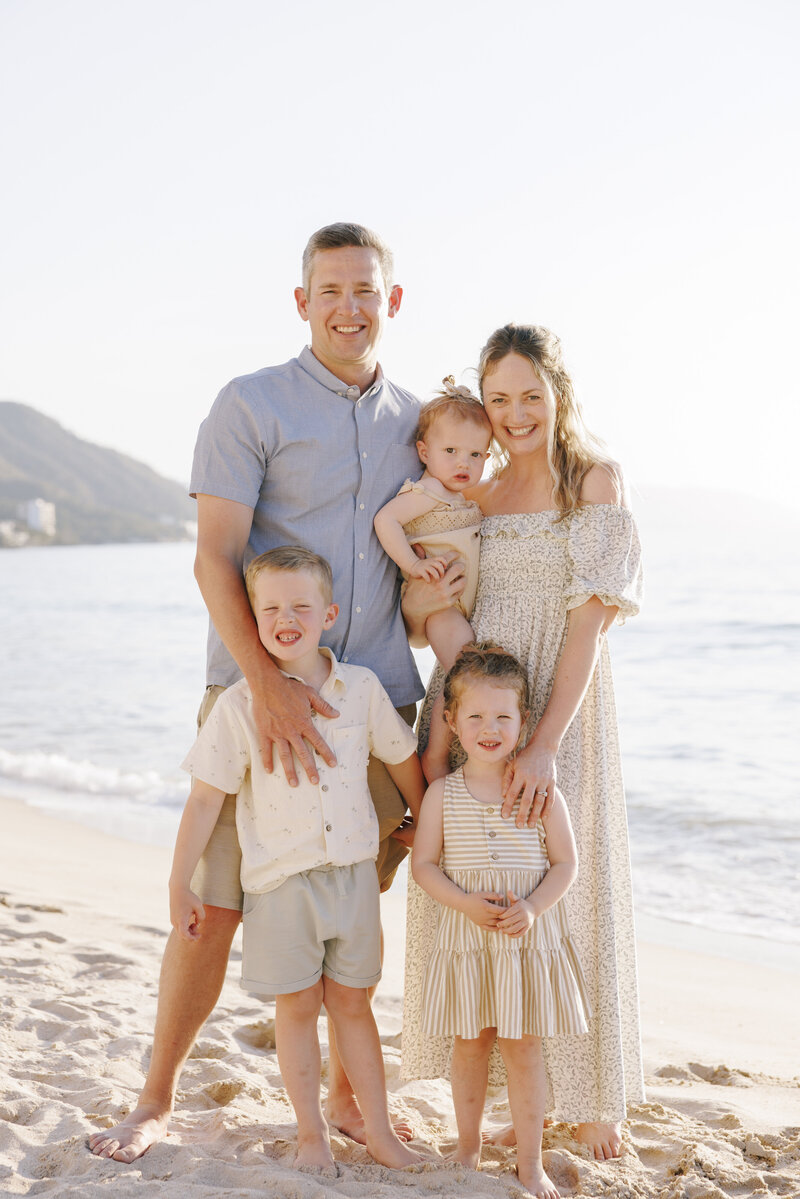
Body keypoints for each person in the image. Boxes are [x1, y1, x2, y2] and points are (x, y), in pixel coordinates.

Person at [90, 222, 462, 1163]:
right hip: (254, 700)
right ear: (301, 301)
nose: (349, 307)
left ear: (393, 302)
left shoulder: (420, 426)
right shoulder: (248, 403)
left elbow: (425, 558)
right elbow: (215, 557)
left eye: (366, 290)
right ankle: (156, 1095)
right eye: (330, 290)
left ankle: (346, 1098)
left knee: (349, 907)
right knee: (213, 908)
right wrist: (266, 685)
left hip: (373, 704)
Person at [401, 324, 644, 1161]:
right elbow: (441, 602)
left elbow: (589, 627)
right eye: (497, 399)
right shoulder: (479, 494)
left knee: (563, 887)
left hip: (557, 710)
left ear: (558, 392)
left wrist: (543, 743)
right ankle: (519, 1103)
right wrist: (461, 698)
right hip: (482, 708)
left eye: (529, 395)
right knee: (485, 880)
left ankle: (590, 1099)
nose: (513, 414)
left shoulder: (594, 482)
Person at [169, 547, 424, 1170]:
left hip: (355, 878)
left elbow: (400, 759)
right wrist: (180, 882)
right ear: (250, 619)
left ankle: (379, 1129)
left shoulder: (360, 688)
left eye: (301, 606)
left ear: (329, 614)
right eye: (270, 607)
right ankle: (311, 1132)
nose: (286, 617)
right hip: (280, 884)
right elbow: (204, 801)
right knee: (298, 1007)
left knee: (354, 1005)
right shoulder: (237, 706)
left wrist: (426, 826)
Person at [412, 643, 589, 1199]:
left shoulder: (540, 791)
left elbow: (566, 863)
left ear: (524, 721)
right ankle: (467, 1146)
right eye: (476, 717)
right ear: (451, 722)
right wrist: (464, 904)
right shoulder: (443, 794)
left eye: (503, 717)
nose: (490, 728)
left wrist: (533, 907)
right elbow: (423, 867)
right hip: (468, 940)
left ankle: (530, 1163)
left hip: (525, 943)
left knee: (523, 1049)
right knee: (470, 1044)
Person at [373, 379, 490, 669]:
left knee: (473, 659)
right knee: (466, 668)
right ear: (424, 452)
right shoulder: (429, 490)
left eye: (474, 455)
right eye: (450, 451)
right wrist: (413, 565)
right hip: (441, 606)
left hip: (462, 601)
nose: (463, 463)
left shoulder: (459, 496)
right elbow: (385, 519)